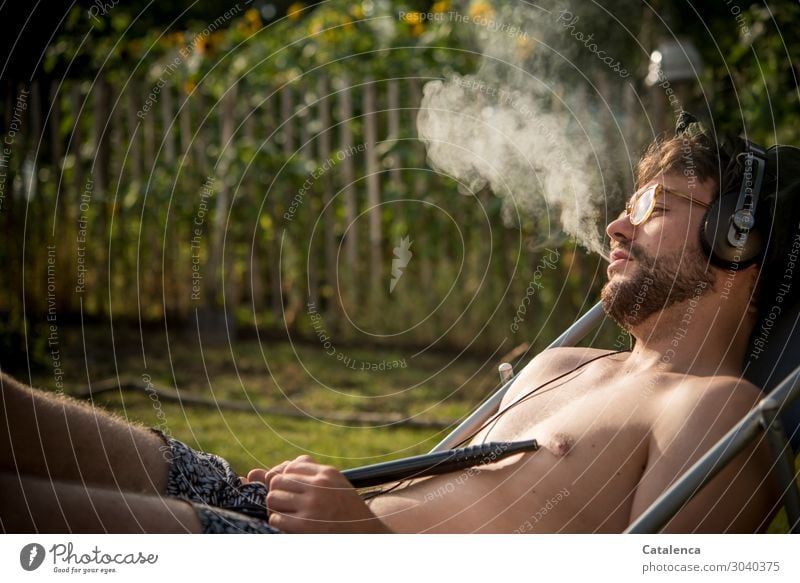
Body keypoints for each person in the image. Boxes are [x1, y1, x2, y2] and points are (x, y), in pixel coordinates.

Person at [2, 114, 799, 534]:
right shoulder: (564, 365)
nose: (615, 230)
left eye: (653, 210)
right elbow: (420, 485)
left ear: (739, 242)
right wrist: (331, 497)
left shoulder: (720, 413)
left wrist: (367, 546)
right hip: (292, 527)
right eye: (626, 209)